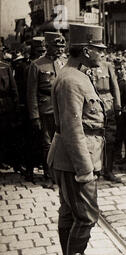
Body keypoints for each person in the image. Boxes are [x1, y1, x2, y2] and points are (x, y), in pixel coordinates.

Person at [47, 23, 108, 255]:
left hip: (70, 157)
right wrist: (85, 169)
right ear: (85, 50)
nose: (102, 55)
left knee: (70, 213)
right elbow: (72, 129)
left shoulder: (75, 74)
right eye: (98, 50)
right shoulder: (71, 80)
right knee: (86, 215)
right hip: (75, 160)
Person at [27, 32, 67, 185]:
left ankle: (62, 174)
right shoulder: (37, 65)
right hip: (46, 109)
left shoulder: (65, 62)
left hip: (63, 109)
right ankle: (49, 176)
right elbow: (31, 93)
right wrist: (34, 116)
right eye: (56, 47)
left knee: (63, 142)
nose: (60, 50)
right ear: (47, 46)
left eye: (62, 47)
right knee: (48, 144)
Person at [91, 54, 122, 183]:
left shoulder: (107, 66)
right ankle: (95, 170)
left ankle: (108, 170)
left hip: (108, 105)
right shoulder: (85, 67)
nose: (99, 54)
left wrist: (117, 105)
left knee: (110, 139)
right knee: (94, 139)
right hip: (93, 106)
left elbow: (115, 86)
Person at [0, 50, 19, 169]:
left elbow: (13, 88)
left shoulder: (5, 67)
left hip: (5, 106)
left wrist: (15, 105)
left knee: (4, 134)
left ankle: (3, 159)